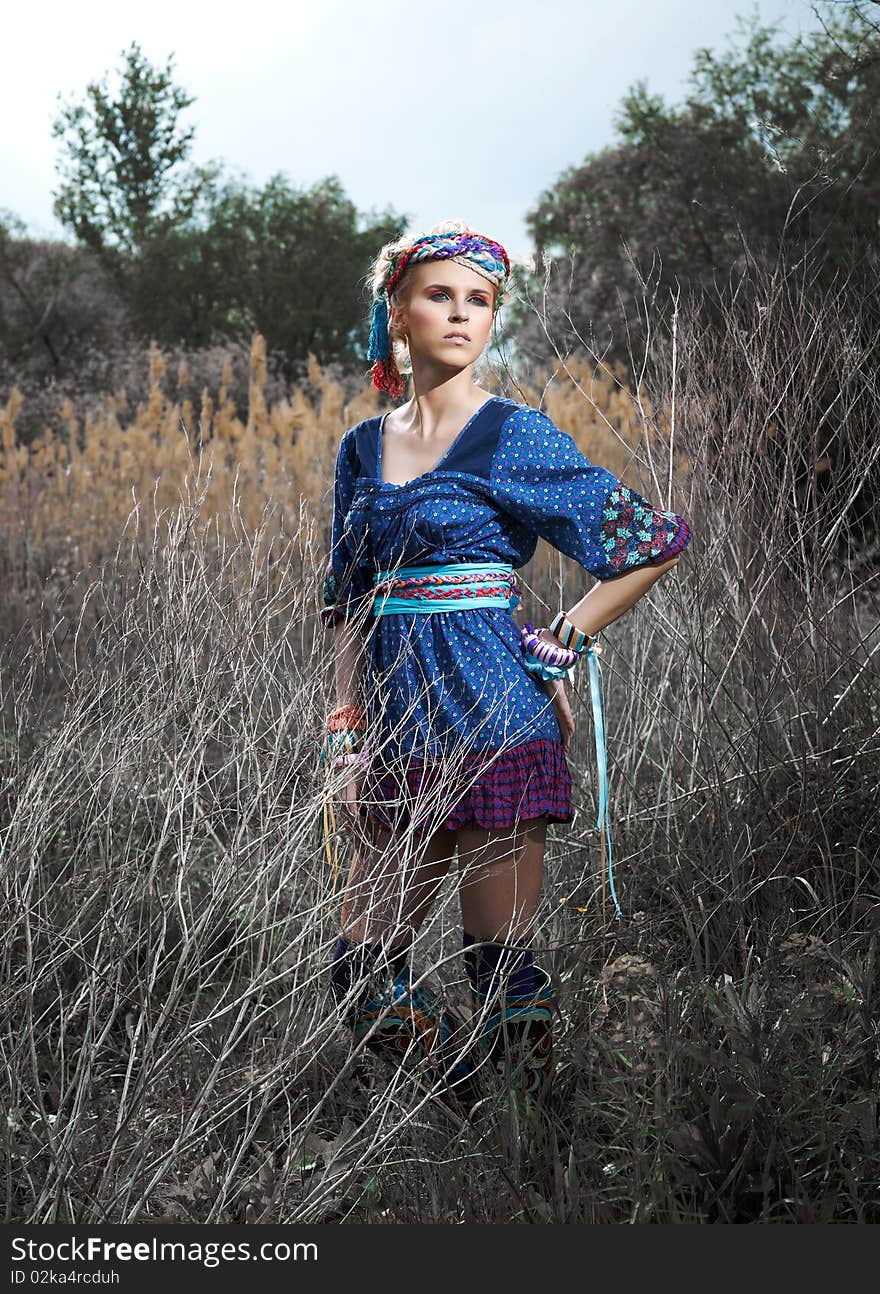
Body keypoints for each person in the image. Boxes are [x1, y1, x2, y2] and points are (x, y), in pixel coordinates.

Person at [318, 221, 691, 1105]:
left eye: (479, 301)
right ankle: (464, 1107)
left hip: (497, 725)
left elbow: (650, 543)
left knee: (499, 973)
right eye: (440, 295)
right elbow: (348, 603)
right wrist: (343, 735)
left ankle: (530, 1150)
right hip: (396, 736)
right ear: (397, 314)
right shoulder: (360, 451)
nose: (461, 313)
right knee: (361, 978)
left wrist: (566, 635)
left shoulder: (513, 435)